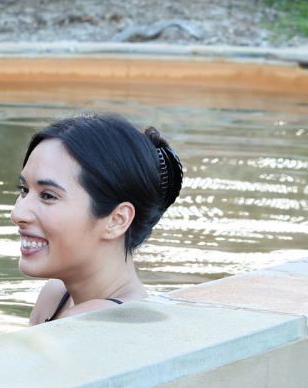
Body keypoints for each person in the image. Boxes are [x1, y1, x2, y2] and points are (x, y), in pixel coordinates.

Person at [11, 113, 184, 325]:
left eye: (48, 196)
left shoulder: (93, 322)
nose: (17, 214)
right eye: (24, 190)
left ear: (117, 220)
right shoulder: (57, 295)